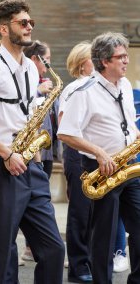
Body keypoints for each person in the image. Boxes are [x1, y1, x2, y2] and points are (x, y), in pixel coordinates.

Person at [0, 0, 65, 284]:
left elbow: (29, 114)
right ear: (4, 29)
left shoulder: (31, 69)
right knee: (0, 254)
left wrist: (34, 159)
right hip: (1, 164)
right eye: (23, 23)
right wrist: (7, 154)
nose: (30, 26)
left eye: (31, 22)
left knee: (53, 249)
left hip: (29, 166)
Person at [58, 32, 140, 284]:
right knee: (103, 237)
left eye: (126, 55)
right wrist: (99, 152)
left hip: (128, 165)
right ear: (104, 61)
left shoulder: (125, 85)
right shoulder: (84, 91)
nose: (126, 60)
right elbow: (65, 132)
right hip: (101, 169)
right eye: (121, 57)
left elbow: (125, 123)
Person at [58, 41, 94, 283]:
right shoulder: (74, 89)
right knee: (81, 212)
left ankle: (90, 261)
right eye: (94, 58)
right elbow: (65, 125)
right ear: (83, 64)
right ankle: (79, 266)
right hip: (78, 153)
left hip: (94, 153)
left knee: (94, 213)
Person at [21, 40, 58, 263]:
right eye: (48, 59)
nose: (49, 64)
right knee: (27, 199)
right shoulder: (27, 78)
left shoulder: (42, 80)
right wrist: (37, 91)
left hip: (44, 149)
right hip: (28, 150)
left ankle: (33, 247)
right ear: (36, 58)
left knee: (39, 200)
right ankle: (27, 248)